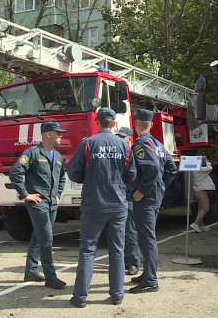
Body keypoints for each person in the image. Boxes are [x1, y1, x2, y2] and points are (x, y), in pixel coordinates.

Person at [67, 108, 137, 308]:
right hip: (118, 204)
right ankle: (117, 294)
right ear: (114, 124)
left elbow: (73, 173)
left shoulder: (88, 143)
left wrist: (89, 180)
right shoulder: (125, 145)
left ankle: (80, 297)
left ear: (97, 122)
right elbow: (131, 175)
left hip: (93, 203)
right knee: (117, 249)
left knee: (88, 250)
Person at [9, 121, 67, 289]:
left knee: (38, 236)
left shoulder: (57, 156)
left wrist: (58, 195)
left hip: (51, 203)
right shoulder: (33, 153)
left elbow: (62, 178)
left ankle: (31, 271)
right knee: (47, 238)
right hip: (38, 203)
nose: (61, 136)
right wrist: (26, 194)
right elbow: (16, 172)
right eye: (58, 133)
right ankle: (50, 276)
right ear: (48, 134)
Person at [129, 109, 177, 294]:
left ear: (135, 124)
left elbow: (153, 168)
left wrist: (142, 190)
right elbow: (171, 169)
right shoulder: (158, 144)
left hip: (146, 198)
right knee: (145, 236)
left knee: (147, 238)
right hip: (155, 196)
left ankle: (150, 280)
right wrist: (160, 187)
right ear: (152, 124)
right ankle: (147, 273)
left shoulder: (141, 143)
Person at [117, 126, 141, 276]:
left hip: (129, 196)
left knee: (131, 231)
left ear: (129, 138)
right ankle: (124, 261)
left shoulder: (134, 153)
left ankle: (133, 262)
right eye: (119, 136)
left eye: (123, 137)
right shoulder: (118, 152)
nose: (120, 139)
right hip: (118, 196)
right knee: (120, 232)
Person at [190, 155, 215, 233]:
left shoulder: (196, 170)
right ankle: (195, 223)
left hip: (198, 191)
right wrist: (206, 161)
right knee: (205, 208)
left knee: (201, 208)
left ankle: (201, 225)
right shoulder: (199, 170)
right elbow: (210, 168)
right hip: (201, 191)